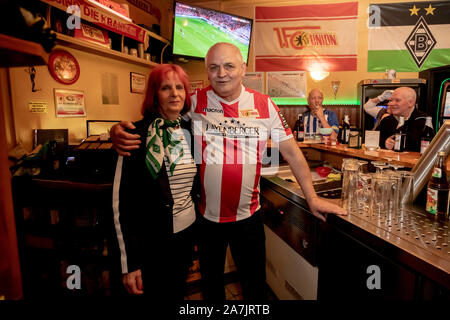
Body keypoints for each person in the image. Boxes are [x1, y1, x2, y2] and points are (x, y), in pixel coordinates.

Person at [111, 42, 346, 300]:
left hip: (249, 219)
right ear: (207, 71)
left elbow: (292, 153)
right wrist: (119, 131)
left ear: (243, 68)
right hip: (206, 220)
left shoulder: (265, 105)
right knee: (212, 289)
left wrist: (311, 198)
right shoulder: (193, 102)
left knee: (254, 288)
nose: (221, 73)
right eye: (213, 67)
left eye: (229, 66)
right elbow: (162, 116)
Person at [112, 64, 200, 300]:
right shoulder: (134, 135)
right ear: (155, 94)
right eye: (166, 88)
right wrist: (129, 263)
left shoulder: (191, 131)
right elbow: (121, 204)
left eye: (179, 87)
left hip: (185, 235)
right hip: (151, 243)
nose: (175, 93)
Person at [376, 86, 428, 152]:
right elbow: (372, 139)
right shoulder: (387, 120)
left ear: (411, 103)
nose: (391, 103)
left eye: (397, 100)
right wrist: (385, 143)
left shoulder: (423, 121)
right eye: (391, 100)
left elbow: (421, 147)